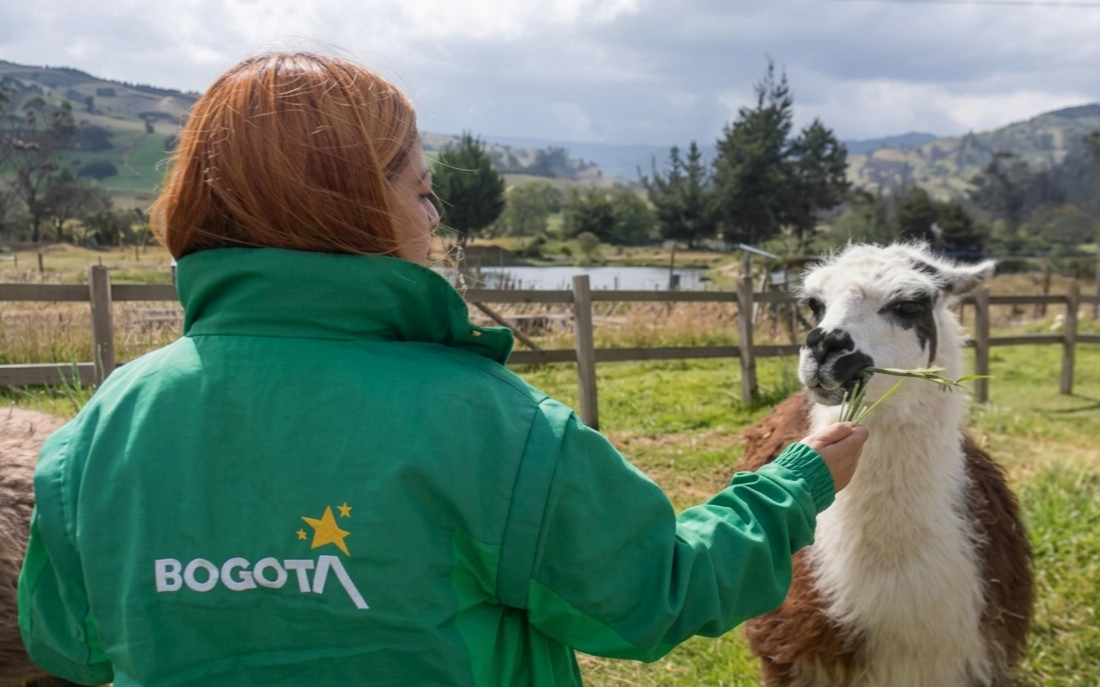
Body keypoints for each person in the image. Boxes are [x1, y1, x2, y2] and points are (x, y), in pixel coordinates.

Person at [17, 53, 868, 687]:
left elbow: (69, 641)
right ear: (351, 207)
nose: (430, 219)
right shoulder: (492, 424)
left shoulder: (106, 424)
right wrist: (787, 488)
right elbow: (650, 591)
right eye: (420, 191)